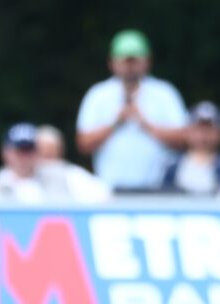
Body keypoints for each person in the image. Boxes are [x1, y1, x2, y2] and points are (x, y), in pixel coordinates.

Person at [76, 29, 188, 192]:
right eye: (125, 61)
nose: (130, 67)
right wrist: (116, 123)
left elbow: (183, 140)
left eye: (135, 61)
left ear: (148, 61)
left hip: (158, 190)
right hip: (108, 189)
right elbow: (83, 144)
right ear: (111, 62)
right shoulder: (98, 95)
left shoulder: (165, 93)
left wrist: (145, 124)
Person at [0, 124, 83, 203]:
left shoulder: (64, 174)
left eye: (29, 150)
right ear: (6, 153)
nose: (24, 157)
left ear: (38, 151)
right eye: (19, 151)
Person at [162, 101, 220, 197]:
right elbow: (164, 196)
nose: (203, 135)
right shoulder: (171, 164)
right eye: (198, 129)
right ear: (187, 131)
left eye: (209, 129)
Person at [35, 124, 111, 202]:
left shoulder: (74, 175)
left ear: (60, 151)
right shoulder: (28, 178)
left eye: (50, 152)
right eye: (42, 152)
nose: (46, 160)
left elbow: (103, 193)